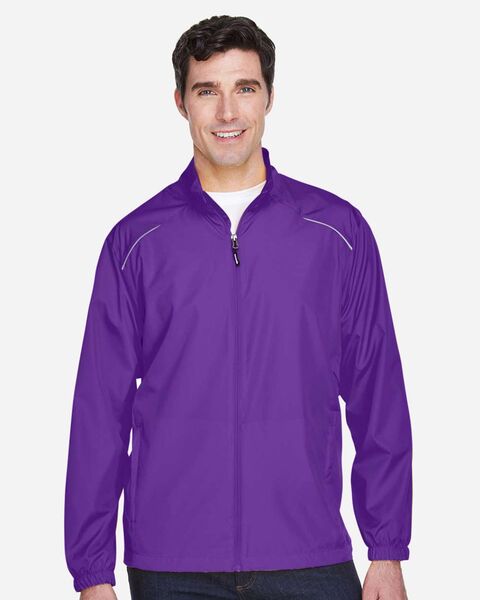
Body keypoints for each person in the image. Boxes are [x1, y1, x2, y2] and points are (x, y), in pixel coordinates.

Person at [64, 14, 412, 600]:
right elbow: (100, 413)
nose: (228, 112)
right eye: (207, 91)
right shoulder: (136, 243)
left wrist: (387, 549)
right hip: (171, 567)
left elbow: (379, 397)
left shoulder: (336, 232)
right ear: (181, 102)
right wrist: (92, 573)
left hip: (309, 559)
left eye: (244, 88)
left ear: (269, 96)